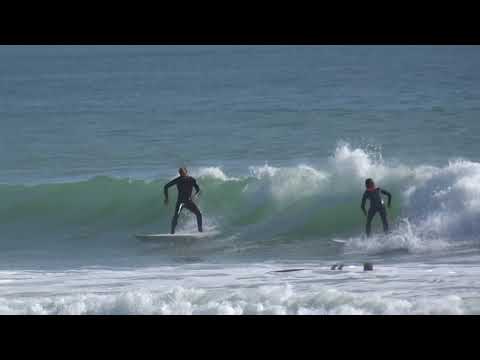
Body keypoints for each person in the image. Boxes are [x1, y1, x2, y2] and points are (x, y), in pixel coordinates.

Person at [164, 167, 203, 234]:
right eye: (180, 172)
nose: (181, 173)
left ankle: (200, 231)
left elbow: (198, 189)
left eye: (182, 172)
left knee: (199, 214)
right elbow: (166, 187)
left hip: (189, 201)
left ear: (186, 172)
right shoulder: (178, 180)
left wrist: (195, 195)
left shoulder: (191, 179)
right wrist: (167, 198)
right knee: (176, 216)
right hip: (180, 202)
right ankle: (172, 233)